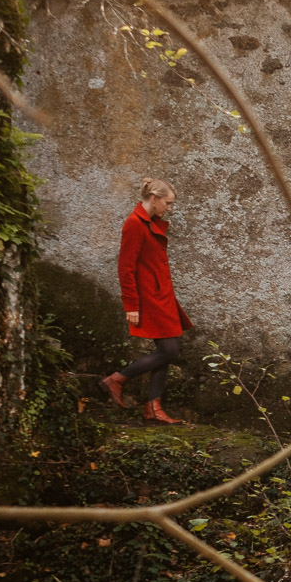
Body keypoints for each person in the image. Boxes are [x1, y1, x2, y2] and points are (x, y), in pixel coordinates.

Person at [99, 178, 194, 424]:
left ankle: (153, 407)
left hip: (161, 297)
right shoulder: (134, 224)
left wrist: (157, 219)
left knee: (166, 351)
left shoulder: (149, 223)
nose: (170, 208)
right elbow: (125, 268)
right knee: (170, 351)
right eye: (168, 203)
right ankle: (117, 379)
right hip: (150, 299)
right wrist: (131, 305)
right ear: (154, 199)